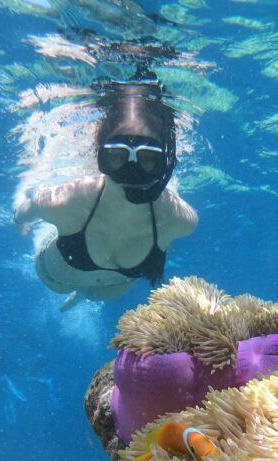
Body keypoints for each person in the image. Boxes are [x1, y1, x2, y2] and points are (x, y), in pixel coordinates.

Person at [13, 80, 198, 307]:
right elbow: (25, 211)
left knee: (91, 294)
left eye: (148, 159)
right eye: (117, 156)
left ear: (165, 163)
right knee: (84, 289)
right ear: (100, 156)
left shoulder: (178, 218)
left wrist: (21, 219)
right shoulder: (69, 200)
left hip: (106, 289)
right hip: (57, 279)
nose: (133, 172)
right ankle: (80, 293)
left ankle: (81, 296)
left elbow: (26, 212)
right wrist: (20, 220)